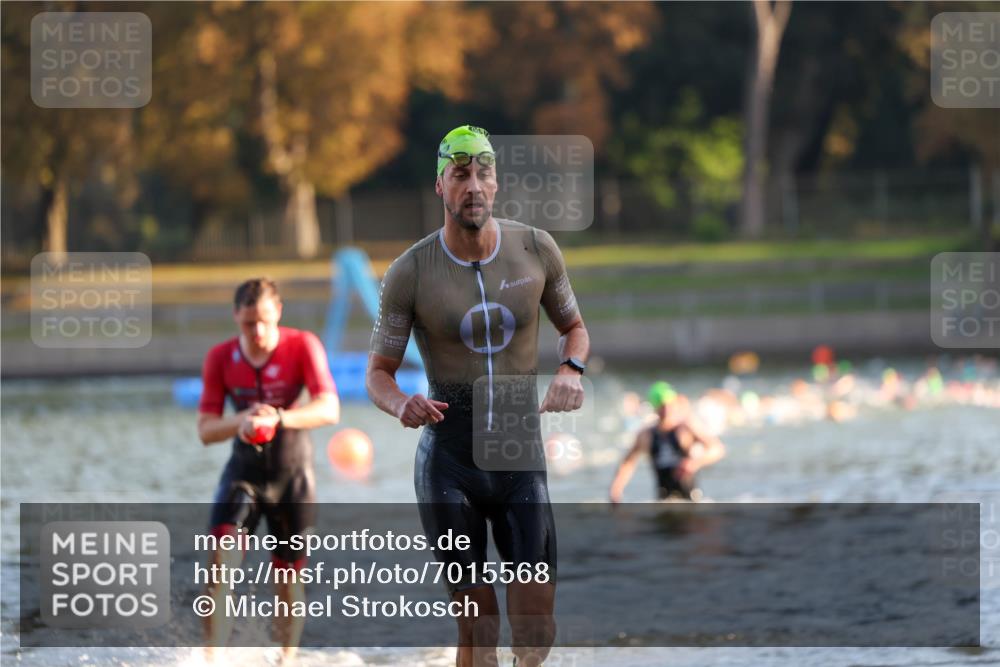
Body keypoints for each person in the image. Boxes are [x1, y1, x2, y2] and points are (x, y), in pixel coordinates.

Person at [366, 125, 590, 667]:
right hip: (450, 459)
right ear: (440, 186)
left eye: (482, 173)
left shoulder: (537, 248)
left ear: (496, 183)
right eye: (460, 174)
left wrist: (570, 369)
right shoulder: (410, 272)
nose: (473, 186)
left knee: (536, 629)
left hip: (518, 454)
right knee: (480, 624)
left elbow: (574, 328)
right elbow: (378, 372)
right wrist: (401, 404)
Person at [197, 278, 340, 666]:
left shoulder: (302, 346)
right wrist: (242, 419)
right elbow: (206, 429)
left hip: (292, 476)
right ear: (235, 318)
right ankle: (211, 659)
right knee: (219, 563)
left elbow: (330, 408)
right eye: (247, 324)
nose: (257, 333)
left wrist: (279, 418)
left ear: (277, 312)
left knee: (288, 580)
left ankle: (285, 660)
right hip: (243, 475)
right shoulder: (220, 358)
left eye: (263, 321)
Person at [609, 382, 725, 503]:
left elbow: (717, 449)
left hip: (690, 499)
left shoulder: (686, 428)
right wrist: (616, 489)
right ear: (655, 407)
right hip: (663, 500)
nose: (667, 409)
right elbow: (628, 462)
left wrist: (694, 463)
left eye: (669, 405)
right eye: (662, 406)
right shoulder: (646, 435)